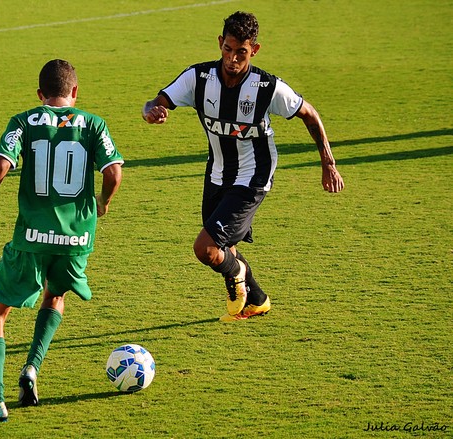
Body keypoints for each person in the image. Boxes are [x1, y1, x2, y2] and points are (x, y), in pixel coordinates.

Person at [142, 11, 344, 322]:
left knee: (205, 248)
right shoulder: (198, 78)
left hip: (254, 176)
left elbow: (309, 113)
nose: (233, 58)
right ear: (220, 43)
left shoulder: (266, 87)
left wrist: (328, 162)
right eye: (228, 49)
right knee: (225, 245)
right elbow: (156, 101)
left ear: (255, 50)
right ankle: (258, 300)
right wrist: (151, 111)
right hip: (218, 172)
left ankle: (236, 275)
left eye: (242, 52)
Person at [0, 59, 123, 423]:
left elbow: (1, 165)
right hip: (76, 239)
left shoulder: (24, 121)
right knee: (55, 295)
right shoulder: (94, 124)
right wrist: (103, 202)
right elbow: (113, 171)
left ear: (40, 94)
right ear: (75, 92)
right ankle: (32, 367)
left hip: (31, 238)